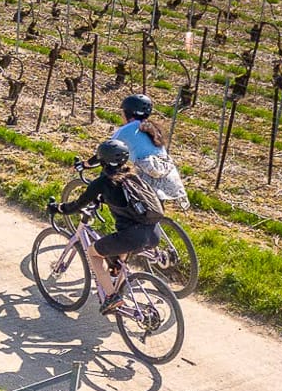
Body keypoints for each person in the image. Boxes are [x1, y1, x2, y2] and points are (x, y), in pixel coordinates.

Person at [47, 138, 164, 313]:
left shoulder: (101, 183)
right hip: (153, 232)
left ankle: (111, 297)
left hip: (133, 236)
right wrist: (103, 198)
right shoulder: (132, 175)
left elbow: (77, 205)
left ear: (102, 161)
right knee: (119, 254)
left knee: (93, 253)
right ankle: (116, 273)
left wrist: (59, 208)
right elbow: (124, 200)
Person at [116, 93, 188, 208]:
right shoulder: (152, 128)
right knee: (152, 216)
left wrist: (86, 164)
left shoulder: (126, 130)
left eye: (122, 112)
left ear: (128, 113)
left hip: (148, 180)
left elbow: (107, 150)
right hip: (166, 178)